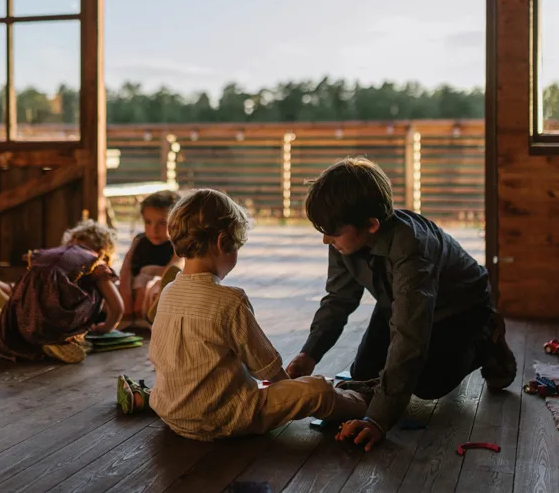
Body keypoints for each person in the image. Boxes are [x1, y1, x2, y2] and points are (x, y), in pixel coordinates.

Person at [285, 157, 516, 452]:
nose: (326, 239)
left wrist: (378, 420)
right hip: (401, 303)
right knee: (362, 373)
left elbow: (410, 336)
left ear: (371, 225)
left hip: (462, 310)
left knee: (427, 384)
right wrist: (310, 352)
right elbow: (339, 300)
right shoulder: (342, 238)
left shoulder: (412, 249)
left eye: (332, 231)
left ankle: (487, 339)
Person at [141, 188, 369, 441]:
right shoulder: (230, 300)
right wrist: (291, 388)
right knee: (319, 390)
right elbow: (267, 370)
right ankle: (367, 403)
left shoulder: (169, 291)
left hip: (171, 412)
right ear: (222, 243)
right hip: (220, 416)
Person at [0, 220, 123, 364]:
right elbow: (117, 307)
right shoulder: (95, 261)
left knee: (30, 283)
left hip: (32, 303)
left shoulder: (48, 253)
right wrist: (105, 327)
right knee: (94, 291)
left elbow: (37, 274)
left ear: (72, 239)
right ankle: (65, 338)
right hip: (60, 316)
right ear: (104, 250)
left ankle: (10, 299)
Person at [117, 189, 183, 328]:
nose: (153, 230)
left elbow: (173, 270)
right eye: (148, 222)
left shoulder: (178, 244)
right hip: (132, 292)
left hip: (155, 292)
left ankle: (147, 320)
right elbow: (126, 270)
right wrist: (125, 297)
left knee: (156, 289)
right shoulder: (139, 241)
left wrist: (149, 280)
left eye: (162, 223)